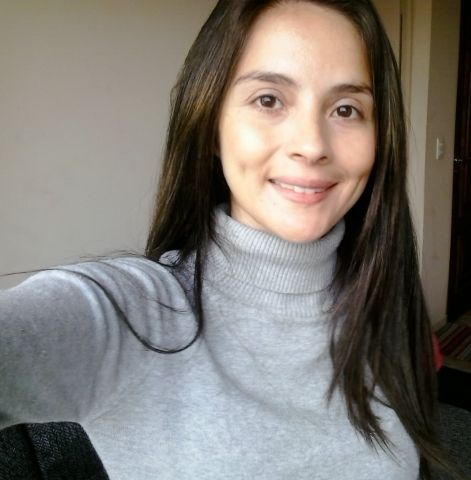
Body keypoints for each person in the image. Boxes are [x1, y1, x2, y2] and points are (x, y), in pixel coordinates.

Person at [0, 1, 448, 479]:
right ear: (212, 127)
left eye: (345, 109)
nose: (312, 145)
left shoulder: (386, 305)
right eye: (269, 100)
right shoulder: (127, 315)